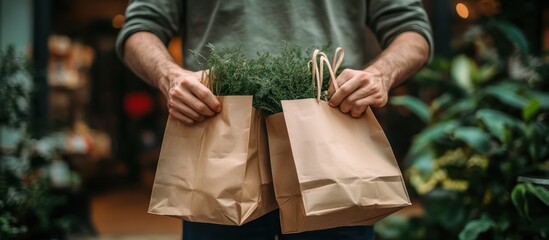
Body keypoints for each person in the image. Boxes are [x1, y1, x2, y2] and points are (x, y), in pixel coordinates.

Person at [116, 0, 433, 239]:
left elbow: (411, 29)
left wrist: (381, 74)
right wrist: (170, 76)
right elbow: (140, 27)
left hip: (330, 136)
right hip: (221, 138)